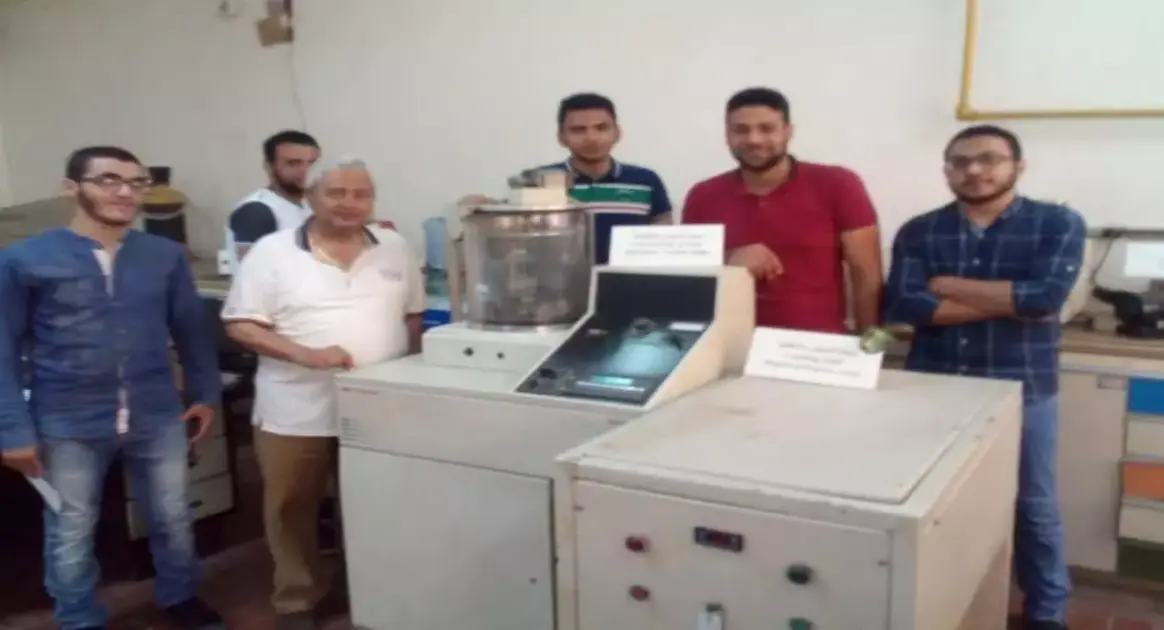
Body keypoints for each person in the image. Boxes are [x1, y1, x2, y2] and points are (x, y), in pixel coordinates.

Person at [0, 146, 226, 630]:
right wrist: (11, 431)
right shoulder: (25, 260)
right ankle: (78, 618)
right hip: (67, 419)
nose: (125, 192)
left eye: (136, 182)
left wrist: (205, 393)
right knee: (71, 527)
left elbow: (191, 330)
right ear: (70, 187)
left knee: (172, 516)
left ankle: (180, 595)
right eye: (108, 180)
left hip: (156, 413)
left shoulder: (163, 256)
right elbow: (2, 349)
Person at [884, 125, 1085, 630]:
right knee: (934, 504)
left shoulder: (1057, 223)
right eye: (960, 161)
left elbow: (1045, 299)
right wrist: (1009, 301)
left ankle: (1047, 612)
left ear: (1018, 165)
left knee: (1033, 506)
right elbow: (907, 305)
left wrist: (949, 286)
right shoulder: (919, 231)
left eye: (989, 158)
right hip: (934, 388)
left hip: (1022, 389)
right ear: (947, 170)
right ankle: (945, 602)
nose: (974, 170)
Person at [221, 156, 425, 630]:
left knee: (378, 504)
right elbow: (240, 324)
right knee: (291, 507)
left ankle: (374, 591)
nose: (350, 203)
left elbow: (413, 317)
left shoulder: (394, 247)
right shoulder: (272, 252)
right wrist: (305, 354)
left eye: (361, 194)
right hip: (295, 409)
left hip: (379, 408)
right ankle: (298, 599)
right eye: (336, 193)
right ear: (311, 197)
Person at [681, 87, 883, 333]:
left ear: (788, 131)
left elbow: (866, 276)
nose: (754, 140)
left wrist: (869, 343)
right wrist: (728, 259)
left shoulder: (838, 184)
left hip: (816, 346)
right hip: (728, 342)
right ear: (727, 134)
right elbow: (686, 275)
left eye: (767, 128)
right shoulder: (703, 196)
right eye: (741, 130)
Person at [460, 92, 673, 263]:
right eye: (578, 130)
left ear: (617, 133)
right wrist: (485, 210)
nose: (591, 138)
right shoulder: (538, 182)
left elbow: (664, 244)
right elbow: (510, 244)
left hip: (628, 291)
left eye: (601, 128)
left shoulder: (646, 181)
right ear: (561, 137)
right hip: (558, 293)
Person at [224, 129, 321, 267]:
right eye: (294, 163)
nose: (304, 171)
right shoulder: (256, 211)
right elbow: (256, 271)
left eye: (311, 163)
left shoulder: (310, 206)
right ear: (269, 167)